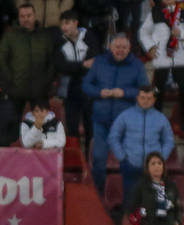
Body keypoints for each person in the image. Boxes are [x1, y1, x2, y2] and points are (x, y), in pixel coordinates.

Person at [83, 33, 146, 193]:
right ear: (111, 47)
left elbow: (145, 90)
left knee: (129, 163)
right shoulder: (99, 62)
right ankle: (98, 196)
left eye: (124, 47)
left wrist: (124, 93)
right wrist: (99, 92)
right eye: (117, 47)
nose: (120, 50)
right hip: (101, 120)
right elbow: (86, 85)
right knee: (98, 160)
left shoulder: (137, 65)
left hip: (126, 123)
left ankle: (129, 200)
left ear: (129, 48)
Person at [108, 85, 175, 204]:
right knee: (130, 202)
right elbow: (113, 137)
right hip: (130, 165)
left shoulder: (161, 119)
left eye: (149, 98)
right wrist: (122, 157)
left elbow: (169, 140)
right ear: (137, 98)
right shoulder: (125, 116)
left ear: (154, 100)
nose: (145, 101)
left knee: (153, 203)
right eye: (143, 98)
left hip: (153, 169)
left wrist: (160, 159)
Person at [139, 0, 184, 130]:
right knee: (159, 89)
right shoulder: (155, 13)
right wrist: (151, 47)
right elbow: (143, 32)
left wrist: (182, 34)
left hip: (180, 56)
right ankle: (156, 120)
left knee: (183, 89)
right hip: (162, 57)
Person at [0, 4, 54, 116]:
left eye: (29, 15)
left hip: (39, 90)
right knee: (12, 125)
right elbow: (1, 60)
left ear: (35, 16)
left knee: (42, 126)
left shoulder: (44, 36)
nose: (26, 19)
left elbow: (52, 61)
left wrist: (46, 80)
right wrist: (12, 79)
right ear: (19, 18)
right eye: (23, 16)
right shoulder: (10, 37)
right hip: (16, 90)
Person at [55, 9, 101, 150]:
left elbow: (94, 62)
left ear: (76, 23)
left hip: (89, 88)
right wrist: (81, 64)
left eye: (67, 23)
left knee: (90, 127)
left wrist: (74, 67)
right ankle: (74, 158)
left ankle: (89, 159)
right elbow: (61, 65)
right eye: (62, 24)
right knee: (72, 127)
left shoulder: (90, 37)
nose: (64, 27)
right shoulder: (58, 42)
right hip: (69, 90)